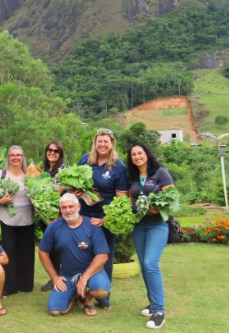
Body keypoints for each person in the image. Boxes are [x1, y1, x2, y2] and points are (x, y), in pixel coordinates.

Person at [75, 128, 128, 309]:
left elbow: (121, 200)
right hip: (83, 215)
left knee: (105, 255)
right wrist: (75, 191)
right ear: (95, 143)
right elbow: (75, 183)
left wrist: (106, 219)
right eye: (99, 141)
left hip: (105, 219)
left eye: (106, 141)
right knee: (81, 253)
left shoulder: (118, 167)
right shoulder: (85, 160)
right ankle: (79, 293)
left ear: (112, 143)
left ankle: (103, 296)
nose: (102, 144)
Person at [38, 193, 110, 317]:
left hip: (92, 272)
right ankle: (75, 294)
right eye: (64, 208)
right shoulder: (54, 227)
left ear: (78, 207)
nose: (68, 210)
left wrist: (84, 278)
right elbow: (42, 252)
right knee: (55, 310)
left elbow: (103, 256)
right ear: (60, 209)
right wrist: (54, 277)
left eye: (71, 207)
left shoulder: (92, 226)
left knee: (101, 291)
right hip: (68, 275)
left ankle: (87, 298)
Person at [127, 142, 174, 329]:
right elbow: (131, 200)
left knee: (150, 264)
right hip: (139, 227)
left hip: (158, 226)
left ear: (147, 154)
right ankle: (152, 302)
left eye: (140, 153)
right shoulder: (132, 176)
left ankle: (159, 312)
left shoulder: (160, 173)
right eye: (133, 155)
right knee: (143, 265)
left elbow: (171, 198)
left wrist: (152, 209)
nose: (137, 156)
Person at [0, 145, 34, 297]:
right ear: (8, 157)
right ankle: (10, 285)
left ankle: (25, 284)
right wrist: (0, 200)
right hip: (8, 219)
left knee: (26, 252)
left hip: (27, 219)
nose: (15, 157)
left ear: (22, 157)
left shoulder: (29, 174)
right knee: (9, 251)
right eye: (12, 155)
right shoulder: (2, 174)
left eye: (18, 155)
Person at [40, 141, 66, 292]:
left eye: (56, 151)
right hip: (45, 214)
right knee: (50, 248)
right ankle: (53, 278)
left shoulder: (63, 169)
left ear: (60, 154)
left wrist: (39, 193)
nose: (52, 153)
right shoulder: (44, 170)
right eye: (49, 150)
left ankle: (58, 278)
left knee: (59, 248)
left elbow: (57, 192)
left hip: (59, 214)